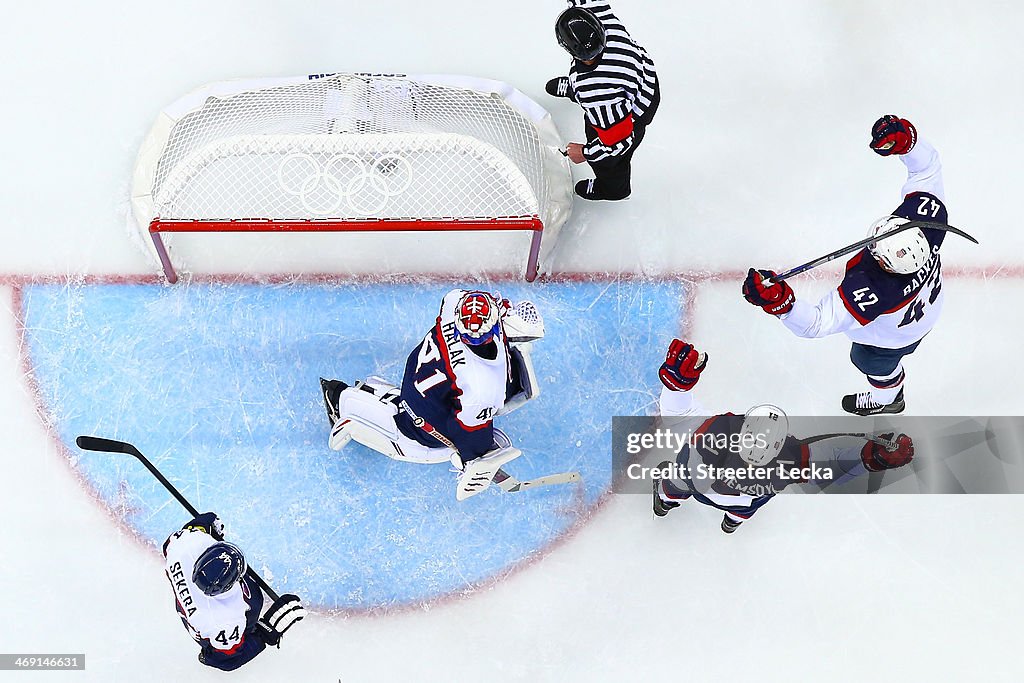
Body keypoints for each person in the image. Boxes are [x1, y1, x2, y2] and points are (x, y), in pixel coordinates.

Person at [742, 114, 950, 415]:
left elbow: (814, 324)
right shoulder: (927, 221)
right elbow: (928, 167)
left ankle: (888, 398)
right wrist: (908, 144)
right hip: (928, 309)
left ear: (884, 262)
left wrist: (781, 303)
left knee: (866, 360)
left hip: (891, 340)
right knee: (871, 355)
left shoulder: (871, 290)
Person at [651, 339, 915, 533]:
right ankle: (732, 522)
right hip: (743, 500)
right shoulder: (787, 462)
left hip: (695, 481)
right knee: (745, 507)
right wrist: (874, 458)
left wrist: (678, 382)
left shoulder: (711, 435)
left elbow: (679, 413)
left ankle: (665, 500)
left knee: (675, 480)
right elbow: (831, 464)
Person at [320, 289, 544, 498]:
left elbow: (467, 300)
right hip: (425, 422)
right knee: (471, 436)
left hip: (418, 375)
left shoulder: (454, 302)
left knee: (471, 403)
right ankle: (344, 404)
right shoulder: (481, 386)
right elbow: (470, 430)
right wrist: (476, 459)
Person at [162, 512, 305, 671]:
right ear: (230, 586)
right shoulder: (224, 622)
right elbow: (227, 661)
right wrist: (266, 633)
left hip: (199, 615)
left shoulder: (184, 544)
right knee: (255, 601)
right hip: (211, 633)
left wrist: (208, 522)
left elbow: (189, 530)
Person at [546, 0, 659, 200]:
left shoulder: (599, 95)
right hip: (640, 78)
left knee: (610, 161)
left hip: (630, 113)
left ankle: (614, 190)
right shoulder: (602, 18)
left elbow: (618, 142)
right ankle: (575, 91)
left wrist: (585, 152)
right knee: (589, 91)